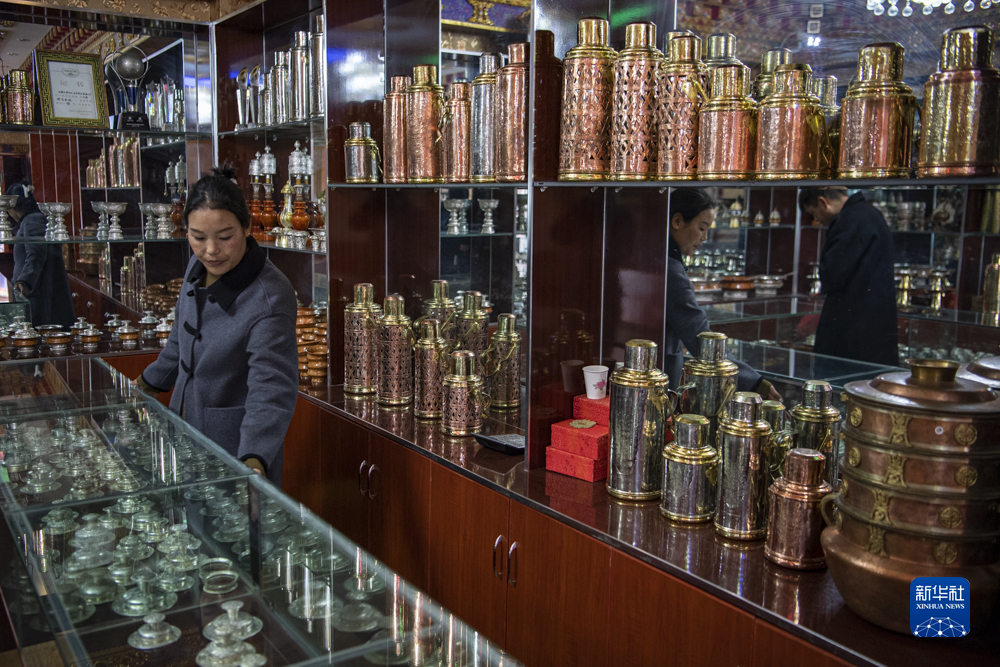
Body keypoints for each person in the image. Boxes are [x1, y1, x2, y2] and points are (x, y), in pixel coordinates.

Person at [137, 166, 298, 485]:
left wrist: (253, 458)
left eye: (225, 237)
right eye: (198, 237)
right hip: (183, 427)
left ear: (247, 226)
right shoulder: (198, 264)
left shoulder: (269, 295)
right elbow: (180, 338)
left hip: (234, 447)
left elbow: (271, 386)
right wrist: (145, 384)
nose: (211, 250)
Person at [666, 188, 781, 401]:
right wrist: (753, 382)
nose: (704, 237)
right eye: (701, 228)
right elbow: (702, 340)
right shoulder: (671, 272)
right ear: (677, 221)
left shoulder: (654, 257)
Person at [798, 188, 898, 367]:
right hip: (874, 323)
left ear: (823, 202)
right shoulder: (870, 213)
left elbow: (832, 275)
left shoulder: (849, 220)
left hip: (853, 328)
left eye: (813, 213)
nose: (816, 220)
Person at [9, 183, 75, 329]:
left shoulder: (33, 219)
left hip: (40, 296)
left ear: (13, 206)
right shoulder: (30, 219)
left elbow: (36, 254)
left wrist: (24, 281)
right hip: (35, 293)